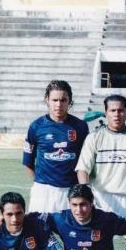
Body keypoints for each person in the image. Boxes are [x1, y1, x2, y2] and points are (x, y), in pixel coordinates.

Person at [22, 80, 89, 213]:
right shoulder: (36, 126)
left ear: (69, 101)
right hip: (43, 192)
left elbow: (86, 161)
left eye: (63, 100)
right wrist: (40, 183)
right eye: (54, 100)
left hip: (71, 191)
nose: (59, 104)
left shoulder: (80, 127)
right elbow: (27, 162)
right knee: (39, 231)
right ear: (47, 100)